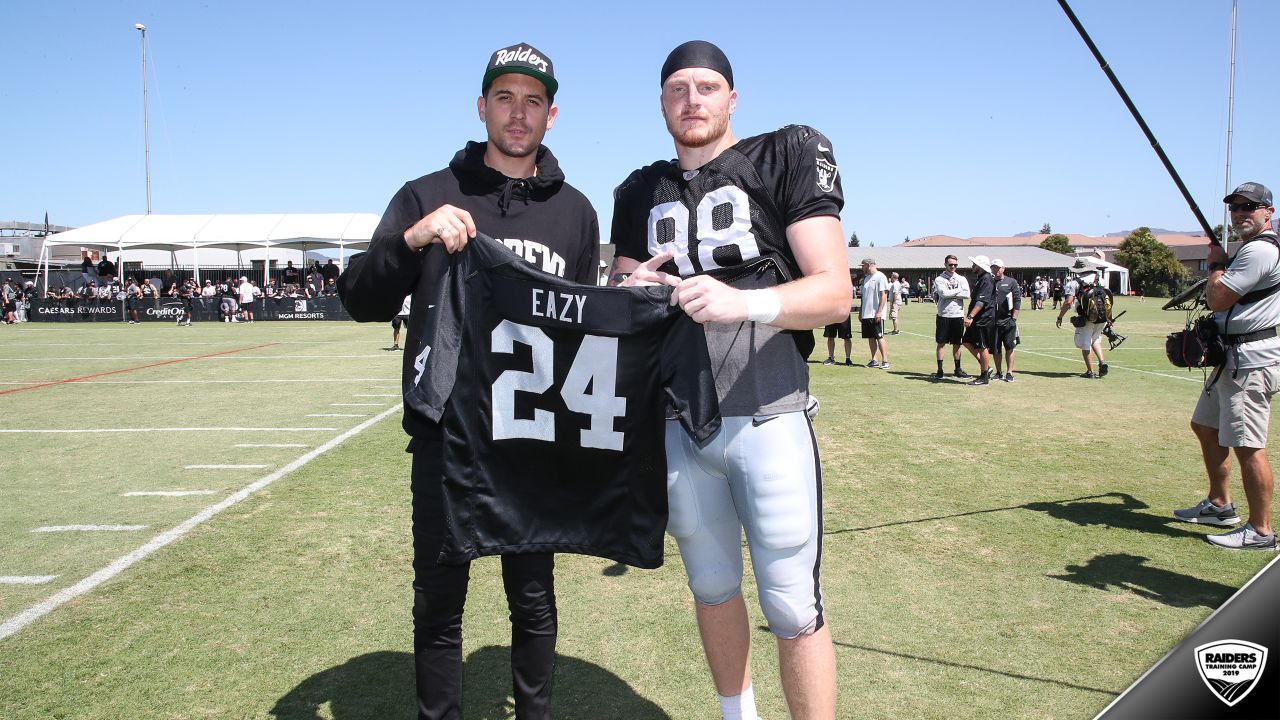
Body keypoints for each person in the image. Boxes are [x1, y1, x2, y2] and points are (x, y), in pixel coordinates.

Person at [338, 42, 599, 720]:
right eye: (505, 98)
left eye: (533, 101)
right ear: (482, 106)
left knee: (534, 599)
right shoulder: (427, 193)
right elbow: (361, 298)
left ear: (553, 115)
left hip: (532, 436)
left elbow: (585, 333)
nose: (519, 113)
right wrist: (412, 239)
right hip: (447, 435)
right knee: (440, 597)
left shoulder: (575, 211)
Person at [608, 40, 845, 720]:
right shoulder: (640, 189)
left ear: (732, 99)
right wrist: (630, 288)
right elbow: (623, 297)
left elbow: (833, 293)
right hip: (677, 420)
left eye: (707, 87)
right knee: (711, 586)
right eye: (678, 88)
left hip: (766, 410)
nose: (692, 99)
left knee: (792, 604)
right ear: (661, 102)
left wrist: (747, 302)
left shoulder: (785, 153)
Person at [1175, 182, 1279, 550]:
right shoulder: (1248, 250)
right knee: (1204, 426)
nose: (1239, 214)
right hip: (1229, 357)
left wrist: (1217, 263)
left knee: (1248, 444)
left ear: (1268, 211)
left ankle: (1261, 531)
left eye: (1249, 207)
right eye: (1234, 208)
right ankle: (1220, 505)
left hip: (1249, 361)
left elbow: (1218, 298)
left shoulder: (1260, 252)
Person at [1055, 263, 1108, 378]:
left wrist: (1060, 317)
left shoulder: (1074, 283)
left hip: (1087, 316)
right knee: (1096, 339)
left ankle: (1090, 371)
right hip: (1102, 316)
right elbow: (1107, 297)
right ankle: (1102, 361)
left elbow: (1068, 302)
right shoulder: (1100, 280)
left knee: (1085, 343)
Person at [932, 254, 970, 380]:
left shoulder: (962, 278)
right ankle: (940, 370)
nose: (953, 266)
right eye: (950, 264)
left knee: (957, 343)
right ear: (945, 265)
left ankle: (957, 369)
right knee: (941, 343)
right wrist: (958, 291)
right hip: (944, 315)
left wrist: (953, 293)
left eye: (955, 265)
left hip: (958, 315)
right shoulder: (939, 279)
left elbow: (967, 294)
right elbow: (943, 294)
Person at [961, 254, 995, 385]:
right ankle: (986, 366)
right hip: (977, 318)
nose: (972, 266)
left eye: (974, 264)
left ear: (980, 266)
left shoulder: (986, 279)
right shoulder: (981, 278)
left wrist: (970, 316)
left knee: (982, 346)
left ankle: (984, 376)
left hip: (983, 318)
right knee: (966, 341)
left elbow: (981, 302)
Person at [989, 259, 1021, 382]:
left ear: (1003, 268)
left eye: (997, 267)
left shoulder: (1011, 282)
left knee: (1010, 347)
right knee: (996, 349)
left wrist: (1014, 318)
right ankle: (998, 372)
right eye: (993, 267)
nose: (995, 270)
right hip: (993, 321)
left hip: (1008, 320)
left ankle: (1009, 372)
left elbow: (1017, 300)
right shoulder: (989, 282)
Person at [858, 258, 890, 369]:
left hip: (876, 313)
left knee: (879, 337)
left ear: (869, 265)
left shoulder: (880, 276)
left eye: (863, 266)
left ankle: (885, 361)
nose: (862, 268)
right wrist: (861, 312)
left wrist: (879, 311)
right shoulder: (866, 278)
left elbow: (884, 295)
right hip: (866, 314)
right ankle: (874, 360)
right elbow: (864, 297)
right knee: (870, 338)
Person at [821, 289, 853, 366]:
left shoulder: (844, 284)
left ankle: (848, 359)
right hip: (831, 313)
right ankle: (831, 357)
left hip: (843, 313)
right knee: (830, 336)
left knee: (847, 337)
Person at [886, 271, 903, 335]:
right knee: (894, 316)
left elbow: (895, 293)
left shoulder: (895, 284)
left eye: (891, 276)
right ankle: (895, 329)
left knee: (894, 316)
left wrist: (893, 302)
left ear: (893, 277)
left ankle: (896, 330)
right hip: (896, 302)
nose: (891, 277)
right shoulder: (896, 283)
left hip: (895, 302)